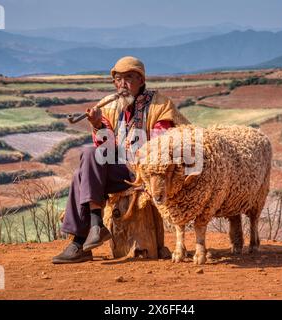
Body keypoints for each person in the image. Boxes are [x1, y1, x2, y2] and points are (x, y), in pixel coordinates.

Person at [52, 56, 189, 264]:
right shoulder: (108, 107)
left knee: (80, 176)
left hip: (144, 174)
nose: (122, 84)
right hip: (118, 171)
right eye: (118, 79)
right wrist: (98, 125)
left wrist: (139, 159)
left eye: (129, 78)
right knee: (89, 155)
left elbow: (162, 147)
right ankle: (96, 226)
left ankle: (79, 243)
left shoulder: (160, 105)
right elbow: (105, 150)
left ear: (141, 81)